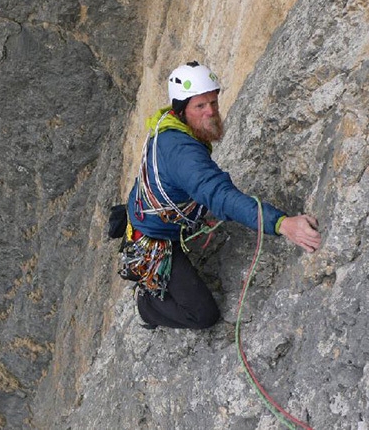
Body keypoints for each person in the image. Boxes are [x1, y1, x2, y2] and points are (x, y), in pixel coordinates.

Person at [120, 61, 321, 330]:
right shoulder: (183, 153)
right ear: (181, 109)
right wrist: (282, 223)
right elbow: (220, 196)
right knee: (203, 315)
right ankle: (147, 306)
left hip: (150, 212)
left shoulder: (169, 125)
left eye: (213, 102)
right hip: (157, 237)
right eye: (200, 106)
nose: (211, 112)